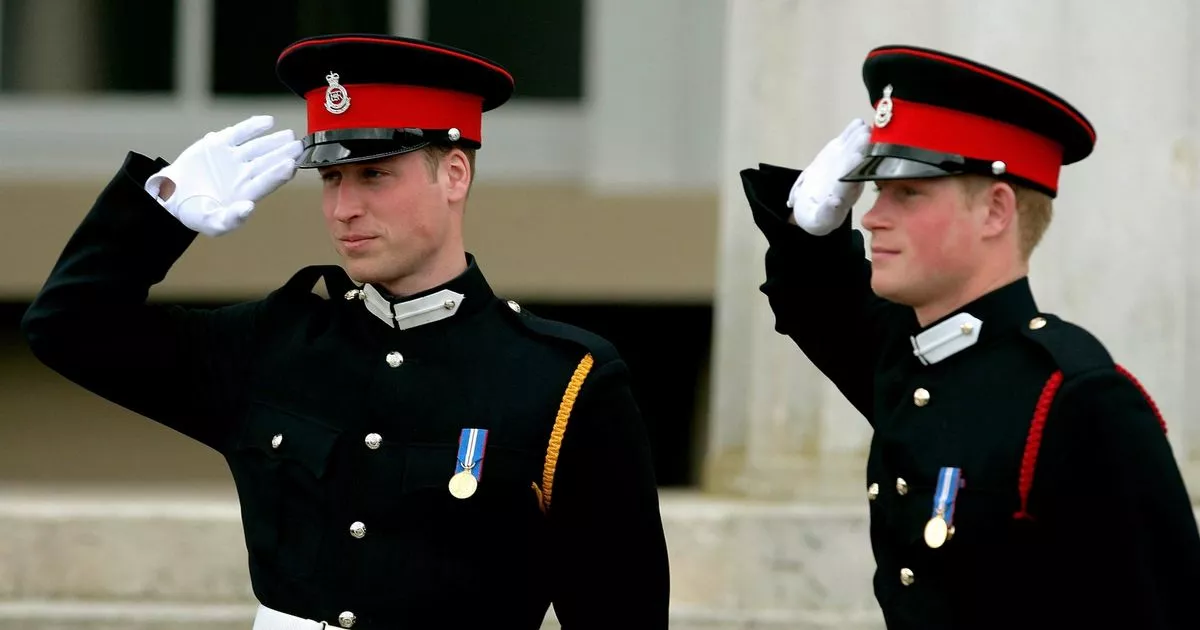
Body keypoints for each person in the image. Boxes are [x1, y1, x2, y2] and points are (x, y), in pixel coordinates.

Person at [21, 34, 669, 629]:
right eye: (330, 178)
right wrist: (159, 208)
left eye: (374, 175)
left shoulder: (560, 380)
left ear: (454, 175)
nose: (343, 208)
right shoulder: (274, 343)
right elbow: (68, 328)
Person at [741, 44, 1200, 630]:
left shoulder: (1075, 399)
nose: (874, 215)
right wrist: (808, 233)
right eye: (877, 190)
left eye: (908, 193)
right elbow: (824, 310)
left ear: (995, 212)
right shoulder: (923, 362)